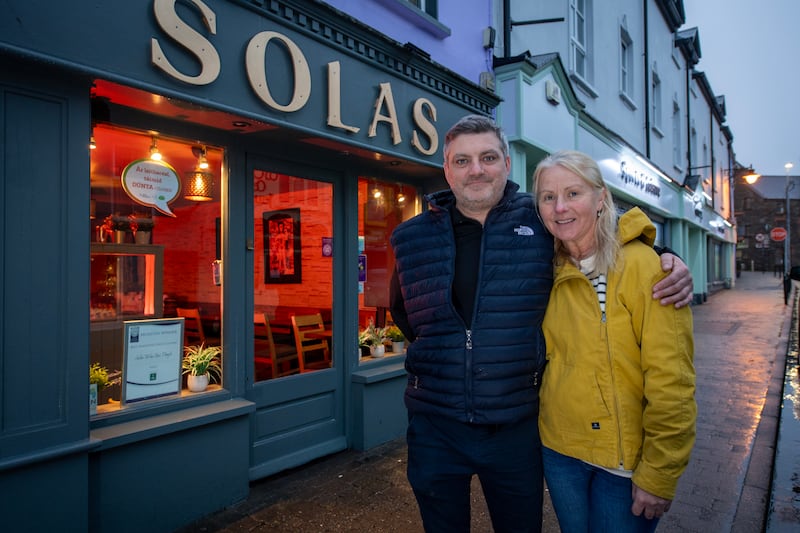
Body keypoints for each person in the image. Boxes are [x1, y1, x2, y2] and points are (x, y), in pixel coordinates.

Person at [388, 115, 693, 533]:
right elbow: (406, 317)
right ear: (447, 169)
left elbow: (600, 230)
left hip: (516, 429)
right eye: (462, 161)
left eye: (488, 157)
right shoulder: (410, 238)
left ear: (507, 164)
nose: (476, 169)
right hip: (435, 428)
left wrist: (665, 254)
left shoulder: (541, 218)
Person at [533, 150, 696, 532]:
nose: (560, 208)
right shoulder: (543, 266)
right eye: (547, 197)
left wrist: (660, 472)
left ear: (600, 197)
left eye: (574, 193)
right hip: (560, 452)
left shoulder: (647, 268)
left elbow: (673, 381)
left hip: (623, 464)